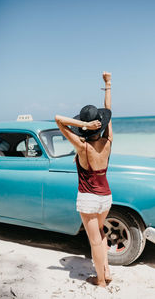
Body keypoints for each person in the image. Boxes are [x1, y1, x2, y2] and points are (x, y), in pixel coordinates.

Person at [55, 72, 113, 288]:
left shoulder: (82, 146)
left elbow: (59, 120)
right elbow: (109, 112)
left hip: (88, 199)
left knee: (95, 240)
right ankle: (106, 271)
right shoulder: (108, 141)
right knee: (100, 232)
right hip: (106, 197)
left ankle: (100, 281)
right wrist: (108, 85)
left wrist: (85, 126)